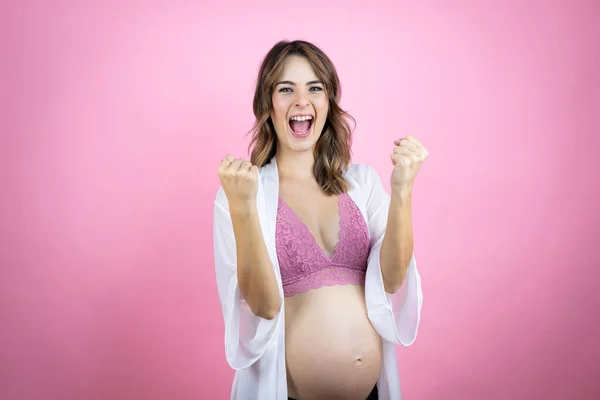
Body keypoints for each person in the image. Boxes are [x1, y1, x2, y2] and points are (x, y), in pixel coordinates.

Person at [213, 40, 427, 400]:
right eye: (286, 89)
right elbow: (263, 306)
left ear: (328, 102)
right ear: (268, 104)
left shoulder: (362, 183)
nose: (301, 100)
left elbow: (392, 280)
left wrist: (402, 190)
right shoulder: (244, 192)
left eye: (315, 88)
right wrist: (243, 208)